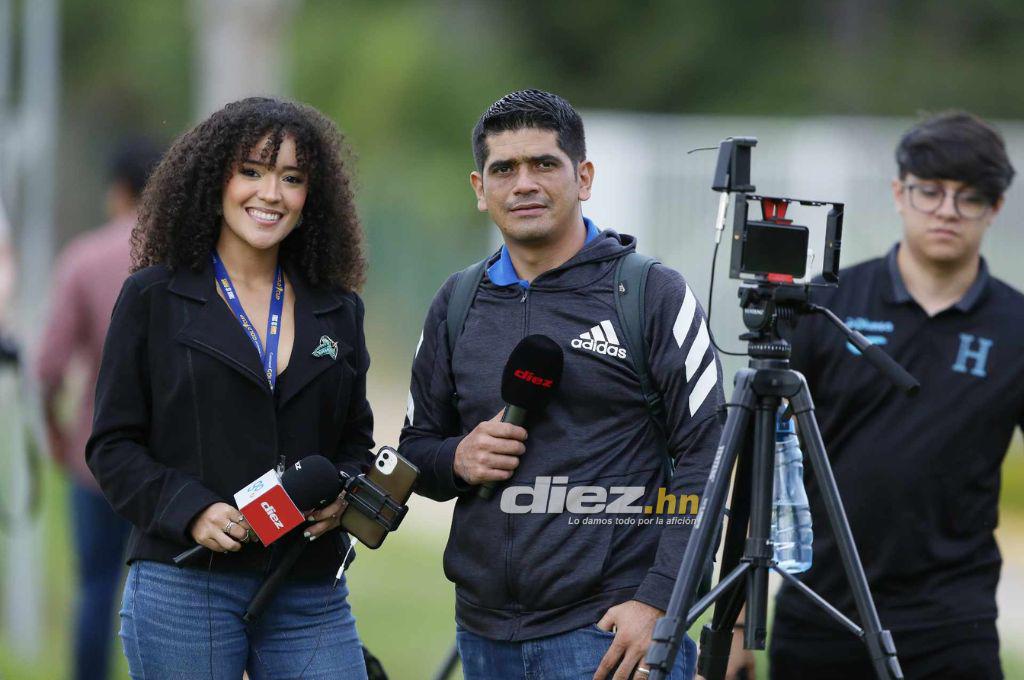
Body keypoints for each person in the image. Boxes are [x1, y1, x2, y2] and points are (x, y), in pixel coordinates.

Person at [400, 89, 724, 680]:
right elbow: (416, 448)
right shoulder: (457, 301)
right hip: (482, 635)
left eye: (544, 164)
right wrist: (458, 458)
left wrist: (659, 600)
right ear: (480, 189)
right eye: (504, 169)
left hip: (610, 635)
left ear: (584, 177)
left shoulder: (651, 294)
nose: (524, 183)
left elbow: (710, 454)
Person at [86, 97, 373, 679]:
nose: (270, 193)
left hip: (307, 586)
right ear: (215, 178)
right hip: (184, 585)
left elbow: (355, 445)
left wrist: (345, 494)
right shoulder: (153, 297)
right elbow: (112, 447)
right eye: (252, 171)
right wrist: (192, 512)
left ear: (309, 196)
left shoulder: (338, 310)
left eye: (291, 178)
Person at [748, 112, 1019, 680]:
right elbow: (757, 458)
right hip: (819, 610)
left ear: (995, 209)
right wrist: (742, 621)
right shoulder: (826, 306)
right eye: (930, 191)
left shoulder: (1016, 327)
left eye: (970, 197)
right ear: (900, 193)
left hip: (952, 623)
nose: (947, 210)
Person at [34, 138, 161, 680]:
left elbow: (47, 368)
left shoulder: (84, 258)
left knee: (95, 588)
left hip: (96, 458)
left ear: (117, 192)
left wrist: (56, 434)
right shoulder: (188, 258)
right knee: (166, 594)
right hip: (170, 465)